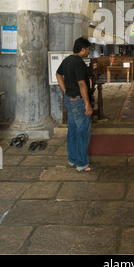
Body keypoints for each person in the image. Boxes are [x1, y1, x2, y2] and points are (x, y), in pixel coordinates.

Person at [56, 37, 93, 172]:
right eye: (88, 49)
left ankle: (72, 159)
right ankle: (82, 163)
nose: (88, 52)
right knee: (83, 132)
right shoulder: (78, 63)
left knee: (72, 130)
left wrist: (65, 90)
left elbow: (58, 74)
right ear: (82, 49)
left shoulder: (67, 60)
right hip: (78, 101)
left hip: (68, 99)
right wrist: (87, 103)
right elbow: (82, 84)